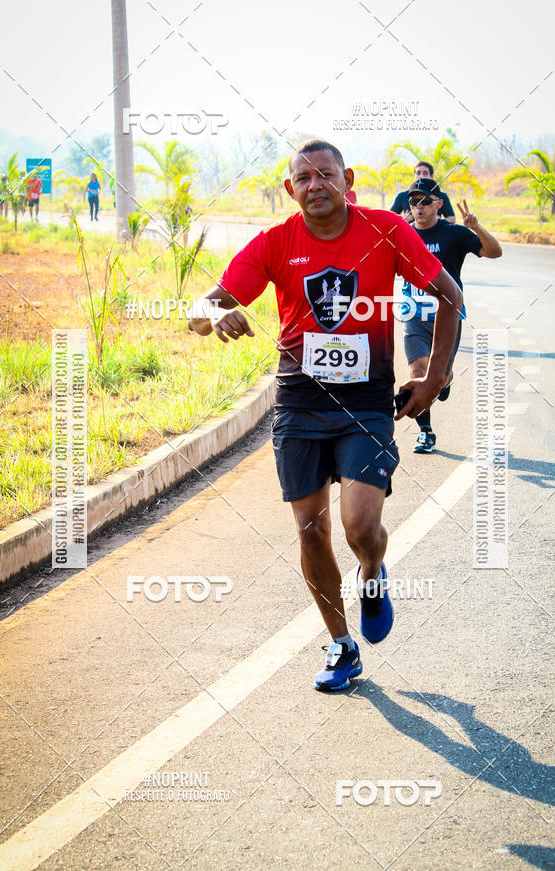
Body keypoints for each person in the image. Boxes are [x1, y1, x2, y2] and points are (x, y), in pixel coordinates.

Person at [188, 139, 463, 692]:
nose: (314, 185)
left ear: (347, 179)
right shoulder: (273, 243)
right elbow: (202, 306)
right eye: (303, 178)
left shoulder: (386, 229)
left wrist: (433, 378)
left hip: (365, 402)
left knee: (360, 526)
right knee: (310, 534)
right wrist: (212, 315)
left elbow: (448, 294)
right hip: (300, 404)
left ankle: (371, 573)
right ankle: (342, 646)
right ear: (290, 189)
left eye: (325, 174)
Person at [400, 178, 502, 453]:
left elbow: (495, 252)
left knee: (439, 377)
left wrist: (476, 227)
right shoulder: (404, 233)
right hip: (415, 317)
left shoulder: (453, 233)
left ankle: (445, 379)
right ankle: (426, 433)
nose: (418, 207)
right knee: (419, 372)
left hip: (449, 317)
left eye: (425, 201)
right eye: (413, 201)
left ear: (439, 204)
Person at [391, 161, 455, 224]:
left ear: (431, 176)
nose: (421, 176)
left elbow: (452, 218)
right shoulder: (402, 196)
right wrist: (401, 219)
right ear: (414, 176)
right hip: (409, 233)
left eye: (425, 173)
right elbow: (389, 218)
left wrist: (438, 222)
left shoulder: (441, 196)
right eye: (418, 173)